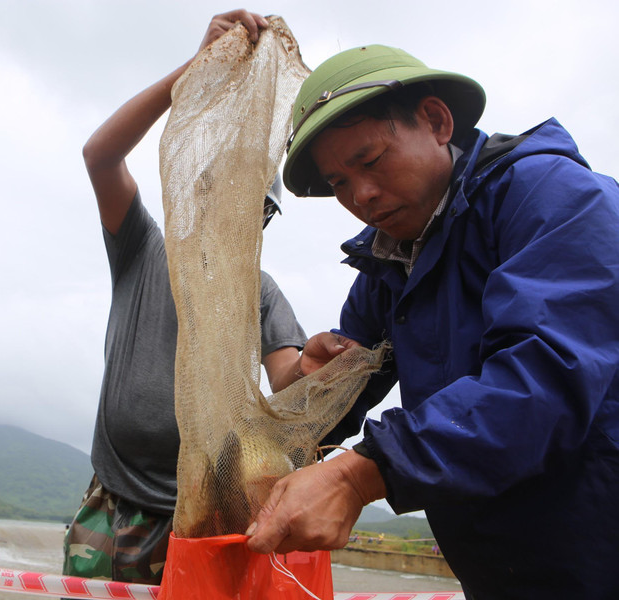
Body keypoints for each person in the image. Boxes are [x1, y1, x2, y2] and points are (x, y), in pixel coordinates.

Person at [245, 44, 619, 598]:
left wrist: (359, 473)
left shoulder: (551, 198)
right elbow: (336, 399)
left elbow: (545, 378)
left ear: (438, 122)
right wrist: (315, 384)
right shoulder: (387, 268)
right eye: (339, 183)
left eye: (370, 161)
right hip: (499, 570)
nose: (362, 196)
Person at [63, 10, 310, 586]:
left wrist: (320, 368)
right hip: (111, 498)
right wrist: (194, 71)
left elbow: (288, 382)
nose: (234, 208)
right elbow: (99, 156)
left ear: (265, 218)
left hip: (200, 515)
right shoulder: (144, 249)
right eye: (220, 187)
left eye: (254, 203)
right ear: (193, 188)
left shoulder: (263, 293)